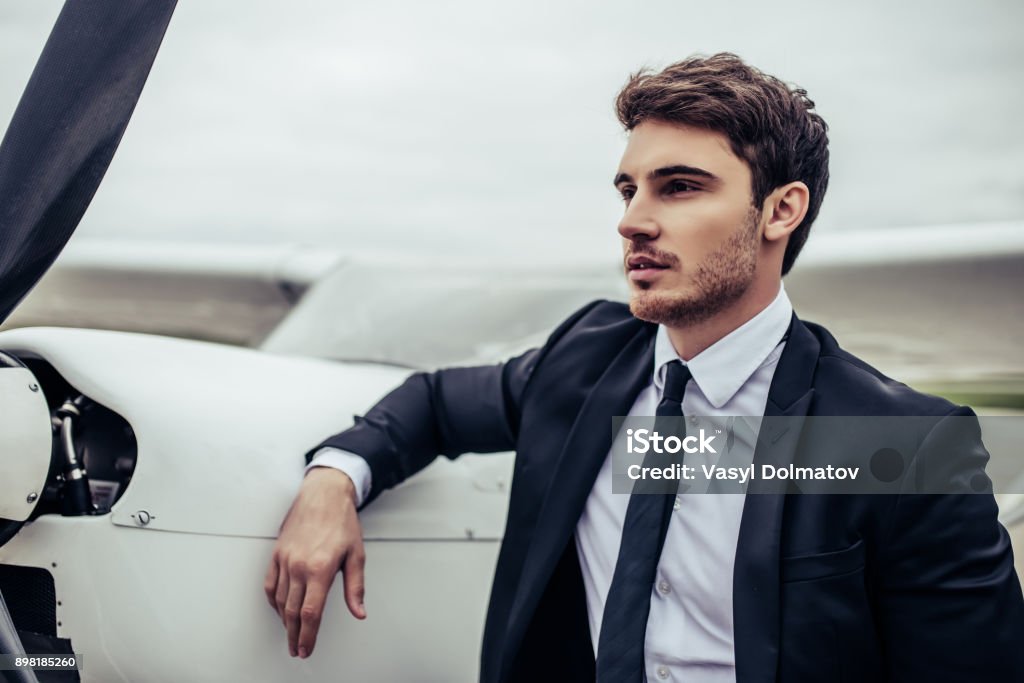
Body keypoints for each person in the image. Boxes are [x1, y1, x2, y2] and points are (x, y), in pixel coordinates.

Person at [264, 53, 1024, 681]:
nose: (632, 220)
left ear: (780, 211)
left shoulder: (901, 442)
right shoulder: (583, 361)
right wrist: (334, 477)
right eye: (629, 189)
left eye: (681, 186)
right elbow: (434, 401)